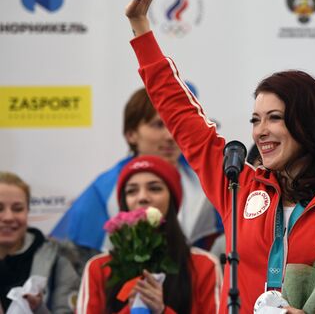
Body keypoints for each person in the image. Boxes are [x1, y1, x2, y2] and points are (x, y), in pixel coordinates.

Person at [124, 0, 315, 314]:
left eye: (275, 118)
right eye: (255, 120)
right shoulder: (237, 187)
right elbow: (182, 116)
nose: (260, 131)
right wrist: (141, 29)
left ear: (309, 124)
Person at [51, 87, 223, 272]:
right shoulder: (104, 190)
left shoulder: (207, 181)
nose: (170, 136)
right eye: (158, 125)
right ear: (131, 134)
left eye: (175, 124)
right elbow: (77, 260)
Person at [77, 155, 222, 314]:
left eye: (154, 188)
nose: (143, 198)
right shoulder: (98, 268)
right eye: (132, 191)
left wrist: (162, 311)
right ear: (124, 203)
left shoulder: (203, 266)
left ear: (172, 200)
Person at [0, 172, 79, 313]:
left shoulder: (59, 259)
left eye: (17, 209)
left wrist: (39, 309)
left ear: (28, 210)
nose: (8, 217)